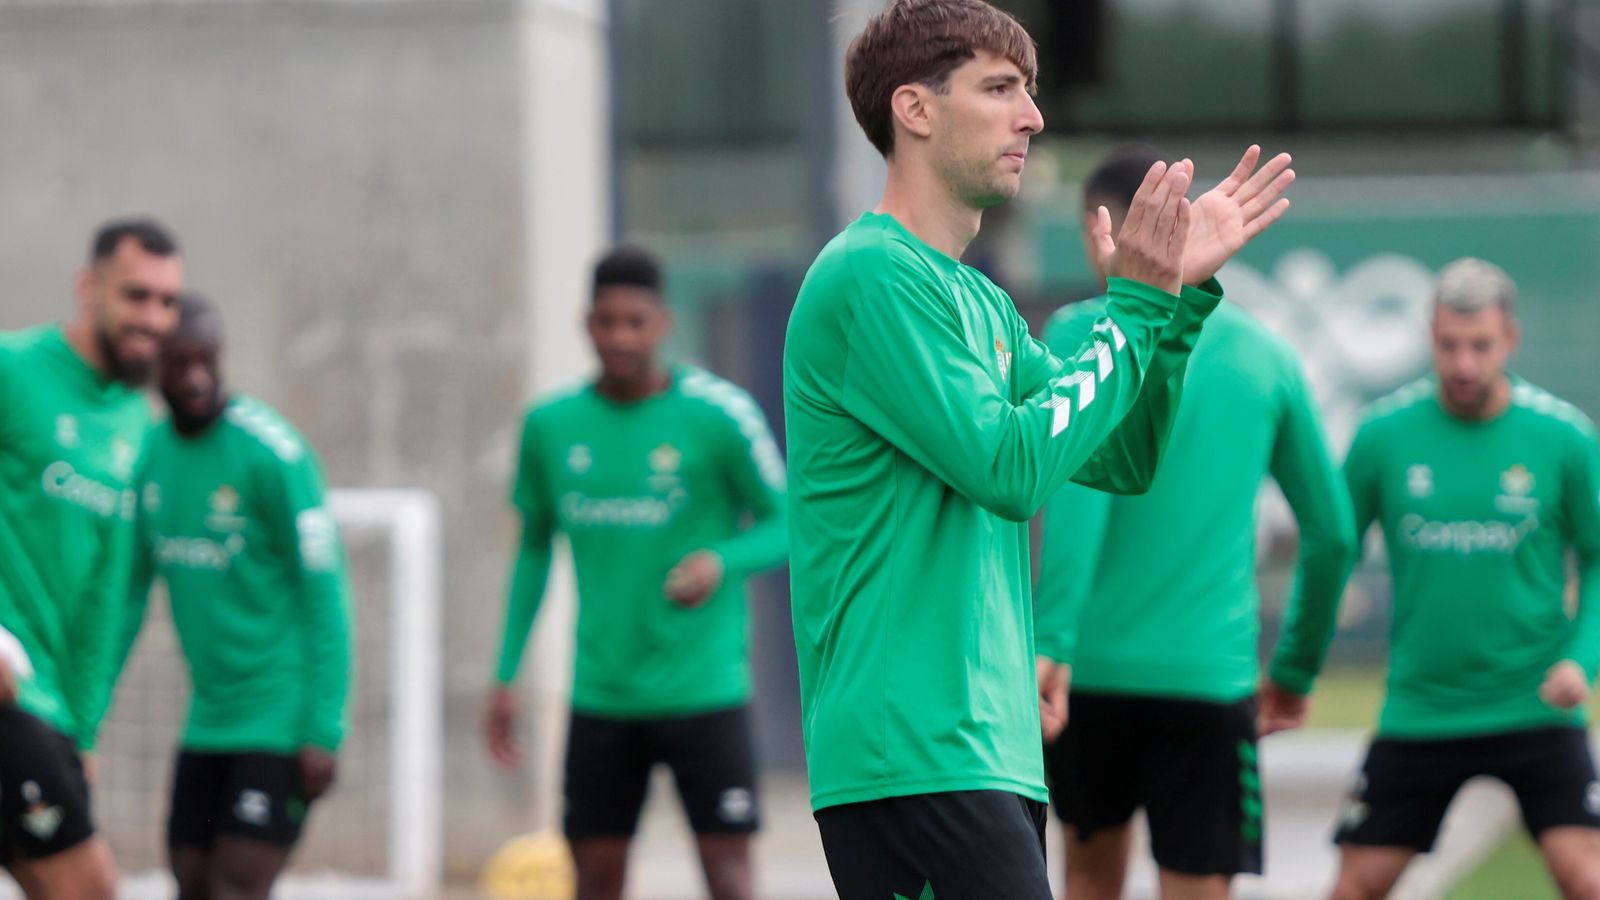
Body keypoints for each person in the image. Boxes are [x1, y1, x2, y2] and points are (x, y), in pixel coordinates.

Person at [782, 1, 1294, 896]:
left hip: (986, 750)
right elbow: (1011, 469)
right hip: (910, 752)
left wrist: (1171, 305)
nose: (1032, 117)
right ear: (915, 109)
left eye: (1029, 91)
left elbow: (1120, 458)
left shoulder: (976, 299)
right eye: (1000, 89)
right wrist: (1135, 305)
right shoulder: (873, 273)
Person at [1032, 146, 1356, 900]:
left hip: (1085, 677)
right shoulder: (1266, 356)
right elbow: (1333, 533)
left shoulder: (1075, 334)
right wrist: (1295, 670)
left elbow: (1079, 501)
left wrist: (1055, 641)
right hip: (1208, 679)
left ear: (1097, 229)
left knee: (1088, 882)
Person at [486, 246, 788, 900]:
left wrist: (722, 559)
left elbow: (789, 520)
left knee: (730, 878)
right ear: (586, 324)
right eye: (607, 321)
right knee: (595, 881)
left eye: (636, 322)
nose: (621, 337)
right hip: (602, 694)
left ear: (665, 323)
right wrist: (505, 673)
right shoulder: (550, 427)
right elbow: (533, 550)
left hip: (705, 688)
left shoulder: (719, 414)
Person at [1328, 258, 1600, 900]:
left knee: (1585, 876)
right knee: (1355, 886)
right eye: (1449, 345)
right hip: (1422, 707)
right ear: (1430, 335)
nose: (1464, 363)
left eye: (1481, 345)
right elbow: (1331, 548)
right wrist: (1299, 657)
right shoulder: (1383, 435)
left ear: (1511, 338)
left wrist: (1581, 661)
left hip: (1535, 701)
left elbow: (1597, 558)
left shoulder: (1562, 436)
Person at [111, 292, 353, 900]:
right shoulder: (149, 456)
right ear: (153, 364)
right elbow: (129, 597)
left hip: (279, 717)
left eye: (207, 360)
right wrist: (85, 712)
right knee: (190, 884)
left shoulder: (274, 453)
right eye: (179, 363)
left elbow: (325, 596)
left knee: (235, 888)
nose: (196, 377)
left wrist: (323, 727)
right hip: (207, 720)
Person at [0, 217, 183, 899]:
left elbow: (110, 595)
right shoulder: (14, 370)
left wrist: (85, 729)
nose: (153, 318)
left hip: (54, 711)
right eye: (136, 295)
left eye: (167, 301)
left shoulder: (138, 425)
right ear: (88, 287)